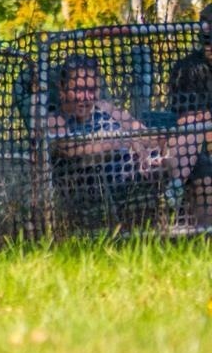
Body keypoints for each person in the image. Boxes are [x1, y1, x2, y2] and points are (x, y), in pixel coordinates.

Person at [44, 54, 168, 230]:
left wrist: (158, 144)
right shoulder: (55, 120)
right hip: (100, 186)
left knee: (184, 146)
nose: (85, 97)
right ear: (62, 90)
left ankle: (179, 199)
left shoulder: (104, 108)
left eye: (91, 89)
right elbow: (72, 150)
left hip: (140, 170)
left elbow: (141, 131)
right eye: (78, 89)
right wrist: (126, 141)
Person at [164, 4, 212, 227]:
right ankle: (205, 238)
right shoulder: (189, 69)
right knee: (204, 175)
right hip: (198, 146)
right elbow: (189, 121)